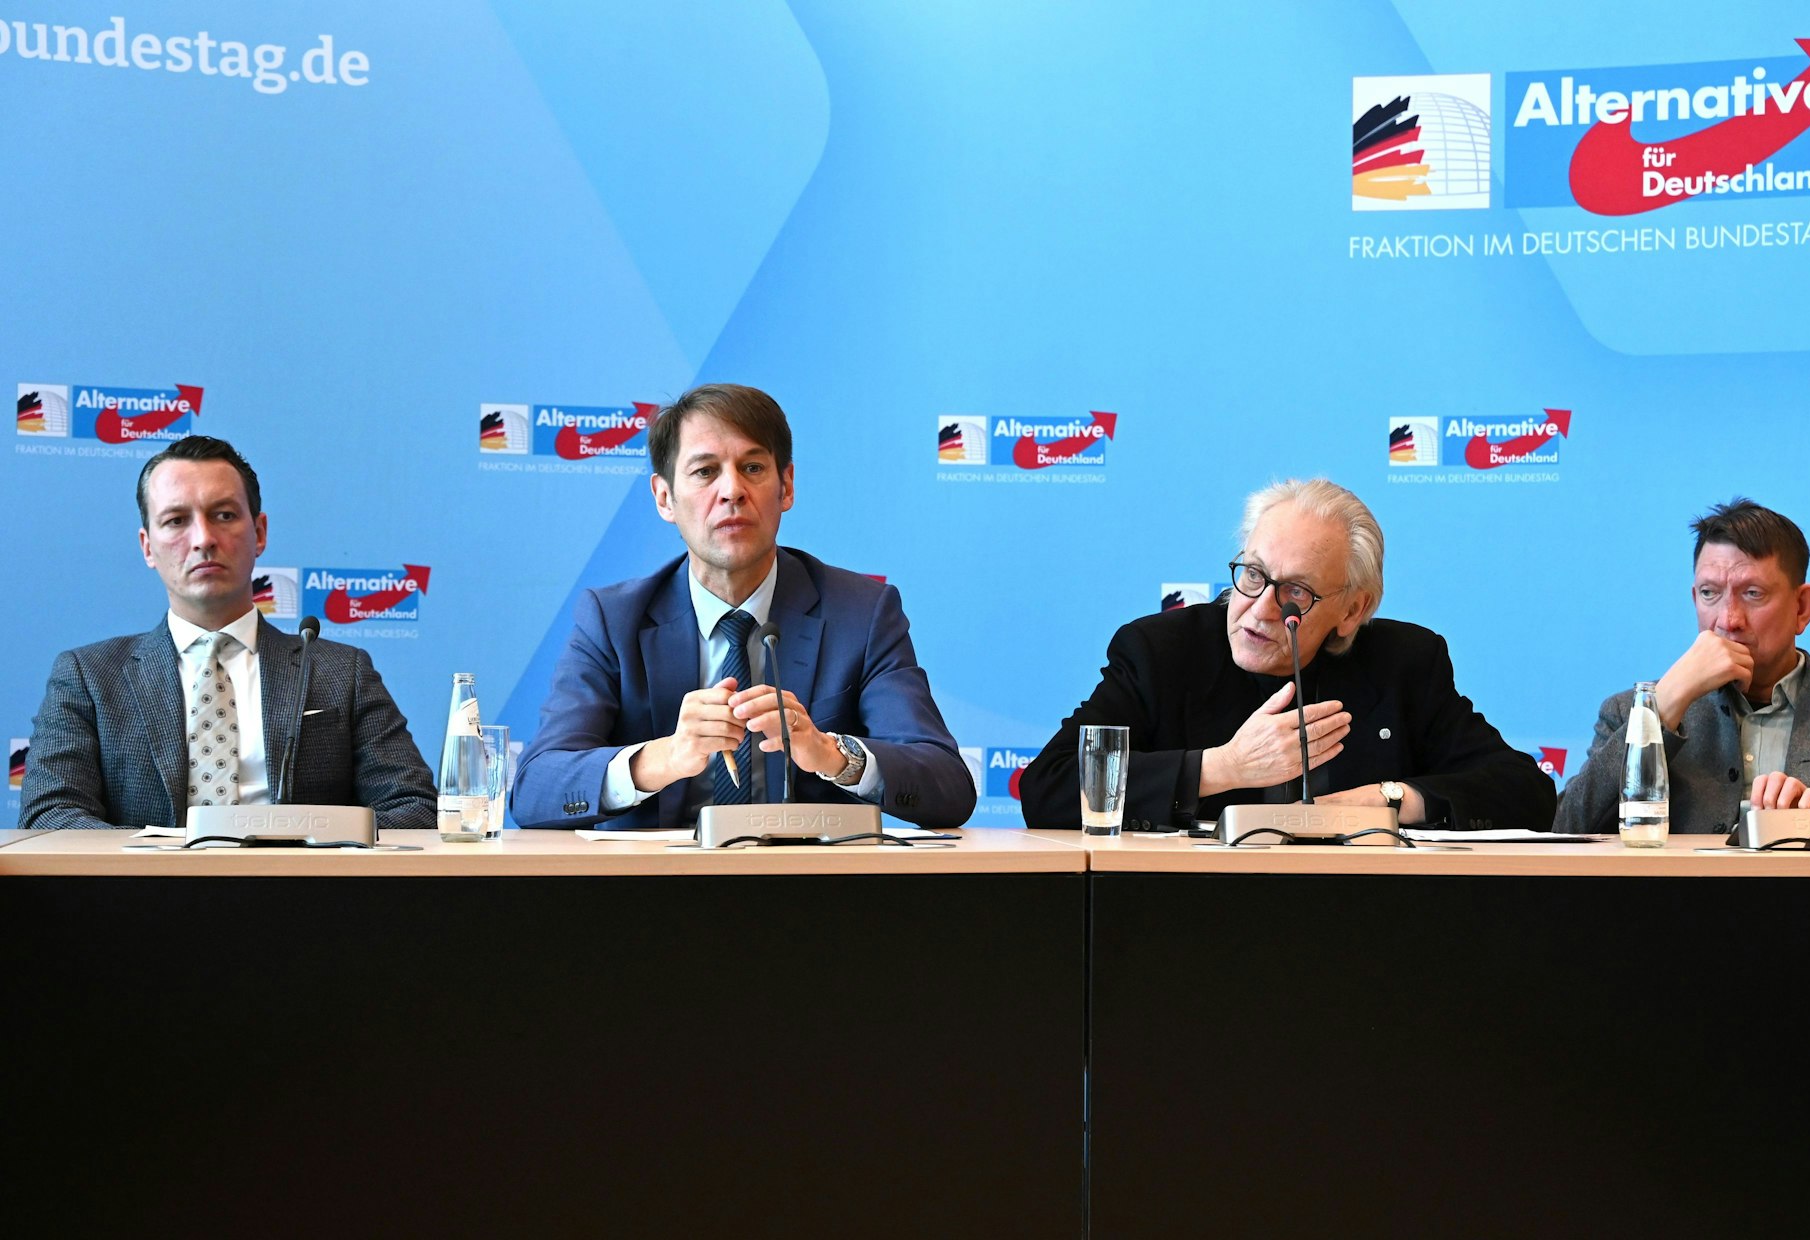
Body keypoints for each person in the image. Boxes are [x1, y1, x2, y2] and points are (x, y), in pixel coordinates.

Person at [513, 383, 975, 830]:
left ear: (786, 486)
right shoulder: (613, 620)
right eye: (705, 471)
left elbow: (948, 786)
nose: (732, 490)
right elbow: (535, 789)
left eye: (753, 468)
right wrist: (665, 757)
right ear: (664, 498)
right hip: (653, 892)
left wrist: (834, 755)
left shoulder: (862, 613)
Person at [1018, 479, 1555, 831]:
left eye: (1295, 593)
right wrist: (1221, 767)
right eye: (1253, 575)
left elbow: (1526, 792)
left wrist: (1392, 800)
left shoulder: (1404, 663)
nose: (1258, 610)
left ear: (1352, 609)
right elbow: (1049, 787)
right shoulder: (1160, 653)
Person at [19, 436, 436, 830]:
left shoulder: (340, 672)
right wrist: (166, 856)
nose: (203, 539)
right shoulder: (89, 677)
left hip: (302, 898)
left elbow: (414, 806)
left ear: (259, 533)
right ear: (148, 547)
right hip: (144, 901)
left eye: (224, 515)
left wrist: (308, 845)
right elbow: (50, 814)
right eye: (177, 520)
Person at [1554, 499, 1810, 835]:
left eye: (1752, 593)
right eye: (1709, 593)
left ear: (1802, 608)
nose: (1728, 619)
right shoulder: (1632, 712)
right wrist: (1660, 708)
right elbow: (1567, 829)